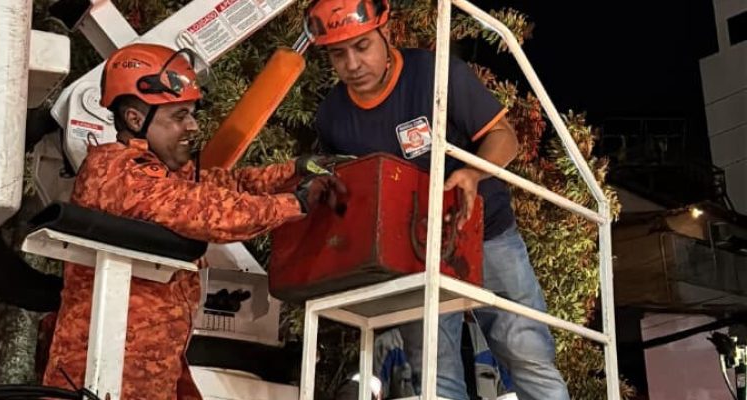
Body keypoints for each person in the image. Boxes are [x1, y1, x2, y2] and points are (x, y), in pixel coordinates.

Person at [42, 43, 346, 399]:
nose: (193, 125)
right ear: (135, 119)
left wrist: (291, 171)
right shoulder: (115, 172)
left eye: (191, 113)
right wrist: (294, 203)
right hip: (105, 376)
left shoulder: (159, 174)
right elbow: (206, 209)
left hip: (152, 371)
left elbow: (225, 184)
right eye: (179, 115)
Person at [305, 1, 570, 399]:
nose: (352, 63)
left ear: (386, 33)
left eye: (362, 47)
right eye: (338, 54)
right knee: (433, 371)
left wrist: (472, 173)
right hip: (411, 253)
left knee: (525, 349)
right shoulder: (332, 117)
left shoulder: (437, 73)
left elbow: (505, 137)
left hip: (486, 232)